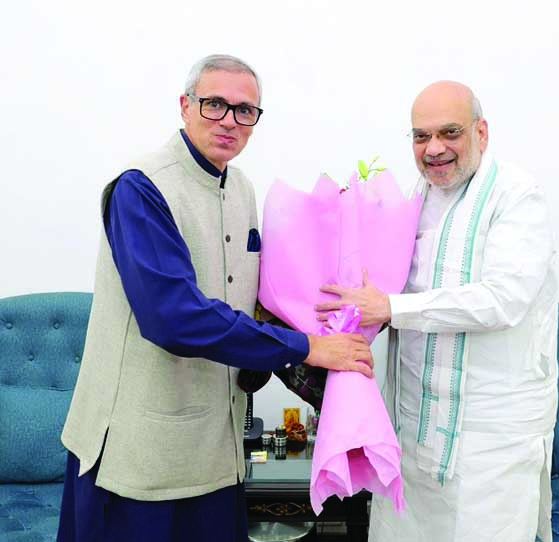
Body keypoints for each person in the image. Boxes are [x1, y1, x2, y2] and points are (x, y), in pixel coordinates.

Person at [57, 54, 374, 542]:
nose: (229, 120)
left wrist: (348, 313)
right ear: (185, 106)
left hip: (217, 452)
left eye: (244, 110)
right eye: (214, 104)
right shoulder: (141, 188)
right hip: (138, 453)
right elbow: (173, 318)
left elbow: (257, 297)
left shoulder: (242, 189)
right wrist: (309, 346)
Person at [315, 81, 558, 541]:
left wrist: (389, 307)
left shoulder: (517, 195)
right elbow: (379, 285)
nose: (434, 148)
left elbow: (503, 299)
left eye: (450, 132)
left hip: (491, 438)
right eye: (421, 136)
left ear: (481, 132)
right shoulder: (414, 197)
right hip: (415, 423)